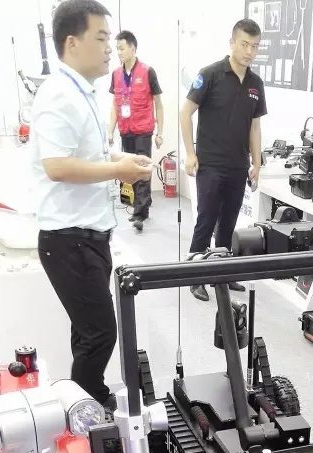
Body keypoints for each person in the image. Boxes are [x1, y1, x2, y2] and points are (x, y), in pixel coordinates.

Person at [30, 0, 152, 409]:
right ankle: (88, 408)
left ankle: (83, 405)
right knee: (100, 333)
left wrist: (121, 159)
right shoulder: (58, 95)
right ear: (72, 42)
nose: (109, 48)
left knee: (88, 333)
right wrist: (118, 170)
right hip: (69, 240)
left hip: (89, 237)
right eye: (101, 38)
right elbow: (57, 166)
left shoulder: (83, 93)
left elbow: (88, 154)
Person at [181, 18, 267, 302]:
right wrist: (190, 153)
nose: (249, 51)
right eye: (244, 44)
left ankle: (223, 274)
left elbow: (255, 127)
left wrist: (256, 163)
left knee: (228, 223)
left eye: (255, 46)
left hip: (238, 166)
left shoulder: (256, 84)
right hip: (210, 164)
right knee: (206, 220)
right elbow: (185, 113)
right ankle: (196, 276)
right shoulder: (210, 75)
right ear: (232, 43)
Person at [109, 31, 164, 232]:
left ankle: (140, 213)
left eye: (122, 48)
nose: (119, 52)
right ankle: (142, 204)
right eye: (117, 49)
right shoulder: (116, 74)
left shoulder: (148, 72)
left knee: (142, 168)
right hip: (126, 130)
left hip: (143, 130)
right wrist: (110, 130)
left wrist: (160, 133)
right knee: (130, 169)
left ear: (133, 48)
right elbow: (115, 105)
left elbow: (159, 104)